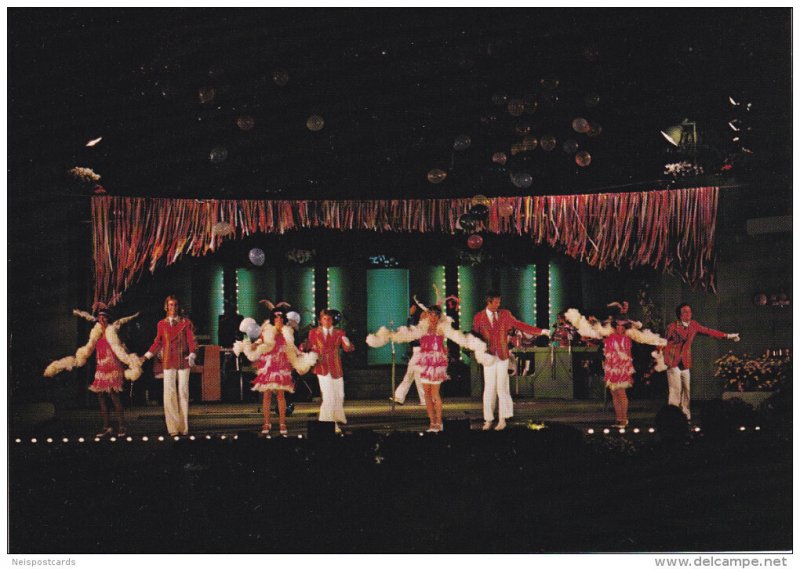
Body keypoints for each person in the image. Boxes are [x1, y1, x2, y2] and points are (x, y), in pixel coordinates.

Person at [368, 300, 490, 433]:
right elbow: (406, 335)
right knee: (426, 394)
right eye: (430, 314)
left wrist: (475, 345)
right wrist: (389, 336)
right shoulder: (422, 328)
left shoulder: (442, 328)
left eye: (435, 315)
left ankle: (439, 421)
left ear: (438, 316)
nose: (432, 317)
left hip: (436, 364)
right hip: (424, 363)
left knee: (435, 394)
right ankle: (432, 422)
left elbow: (458, 338)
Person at [44, 304, 142, 437]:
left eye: (104, 318)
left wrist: (131, 362)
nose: (102, 320)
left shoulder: (112, 332)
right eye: (100, 318)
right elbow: (88, 349)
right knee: (101, 397)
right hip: (101, 367)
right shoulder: (95, 334)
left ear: (108, 319)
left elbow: (120, 349)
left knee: (114, 396)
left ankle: (122, 426)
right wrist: (77, 359)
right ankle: (106, 427)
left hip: (113, 367)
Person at [472, 291, 549, 431]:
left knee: (502, 387)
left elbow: (519, 325)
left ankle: (502, 419)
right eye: (495, 302)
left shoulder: (505, 314)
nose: (498, 304)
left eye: (499, 302)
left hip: (502, 355)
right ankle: (488, 419)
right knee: (489, 388)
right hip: (488, 356)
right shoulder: (479, 317)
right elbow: (476, 335)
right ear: (488, 302)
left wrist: (540, 331)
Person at [234, 305, 317, 435]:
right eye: (276, 317)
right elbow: (261, 340)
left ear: (283, 319)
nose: (278, 319)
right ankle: (266, 422)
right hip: (268, 363)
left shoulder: (287, 331)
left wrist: (299, 354)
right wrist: (253, 345)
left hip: (281, 364)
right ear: (273, 319)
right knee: (266, 394)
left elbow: (291, 346)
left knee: (280, 394)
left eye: (280, 317)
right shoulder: (267, 329)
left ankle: (282, 423)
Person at [663, 303, 740, 421]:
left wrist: (728, 336)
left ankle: (685, 413)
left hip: (685, 361)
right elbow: (665, 343)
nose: (688, 314)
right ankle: (672, 416)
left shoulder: (693, 325)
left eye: (689, 311)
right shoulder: (672, 326)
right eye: (685, 312)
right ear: (680, 314)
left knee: (686, 390)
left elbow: (709, 331)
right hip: (673, 361)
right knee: (675, 390)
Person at [142, 295, 198, 436]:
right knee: (169, 393)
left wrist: (192, 353)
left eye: (175, 305)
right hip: (168, 360)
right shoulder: (161, 324)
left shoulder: (186, 323)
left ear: (178, 307)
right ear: (166, 307)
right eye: (171, 305)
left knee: (183, 393)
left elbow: (192, 340)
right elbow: (158, 342)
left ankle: (184, 427)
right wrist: (147, 355)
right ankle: (172, 428)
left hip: (184, 360)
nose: (173, 308)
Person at [307, 309, 355, 434]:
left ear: (332, 320)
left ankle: (337, 417)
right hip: (322, 368)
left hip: (336, 367)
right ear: (320, 320)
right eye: (324, 319)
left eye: (329, 319)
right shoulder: (314, 333)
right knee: (329, 397)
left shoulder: (339, 332)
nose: (327, 321)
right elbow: (310, 346)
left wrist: (348, 344)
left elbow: (347, 348)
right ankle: (328, 423)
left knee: (339, 395)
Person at [389, 302, 426, 406]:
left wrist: (411, 316)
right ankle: (399, 397)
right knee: (409, 375)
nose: (421, 315)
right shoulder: (421, 325)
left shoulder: (425, 327)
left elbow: (412, 332)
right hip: (416, 351)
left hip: (421, 351)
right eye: (421, 314)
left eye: (424, 314)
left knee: (417, 376)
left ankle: (424, 400)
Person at [603, 320, 635, 428]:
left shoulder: (626, 338)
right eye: (617, 326)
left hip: (622, 369)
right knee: (614, 393)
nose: (619, 328)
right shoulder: (610, 337)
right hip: (611, 368)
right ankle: (619, 418)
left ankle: (624, 419)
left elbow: (626, 355)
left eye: (622, 326)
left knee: (621, 393)